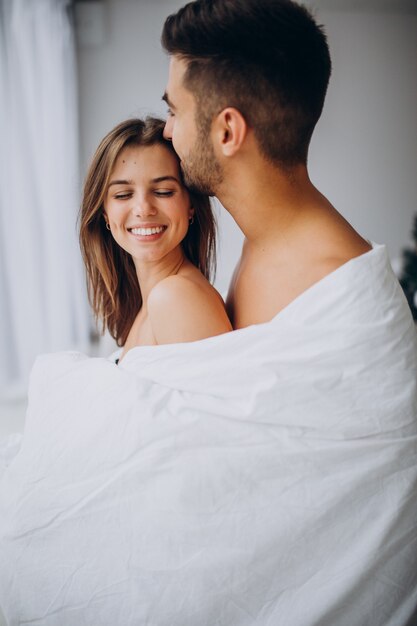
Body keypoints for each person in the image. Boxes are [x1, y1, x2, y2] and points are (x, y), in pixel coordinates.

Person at [161, 0, 372, 328]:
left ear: (227, 132)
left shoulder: (339, 295)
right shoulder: (264, 243)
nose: (167, 130)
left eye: (174, 111)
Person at [79, 117, 231, 361]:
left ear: (190, 205)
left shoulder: (174, 297)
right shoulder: (146, 302)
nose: (143, 209)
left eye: (163, 192)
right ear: (104, 212)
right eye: (123, 194)